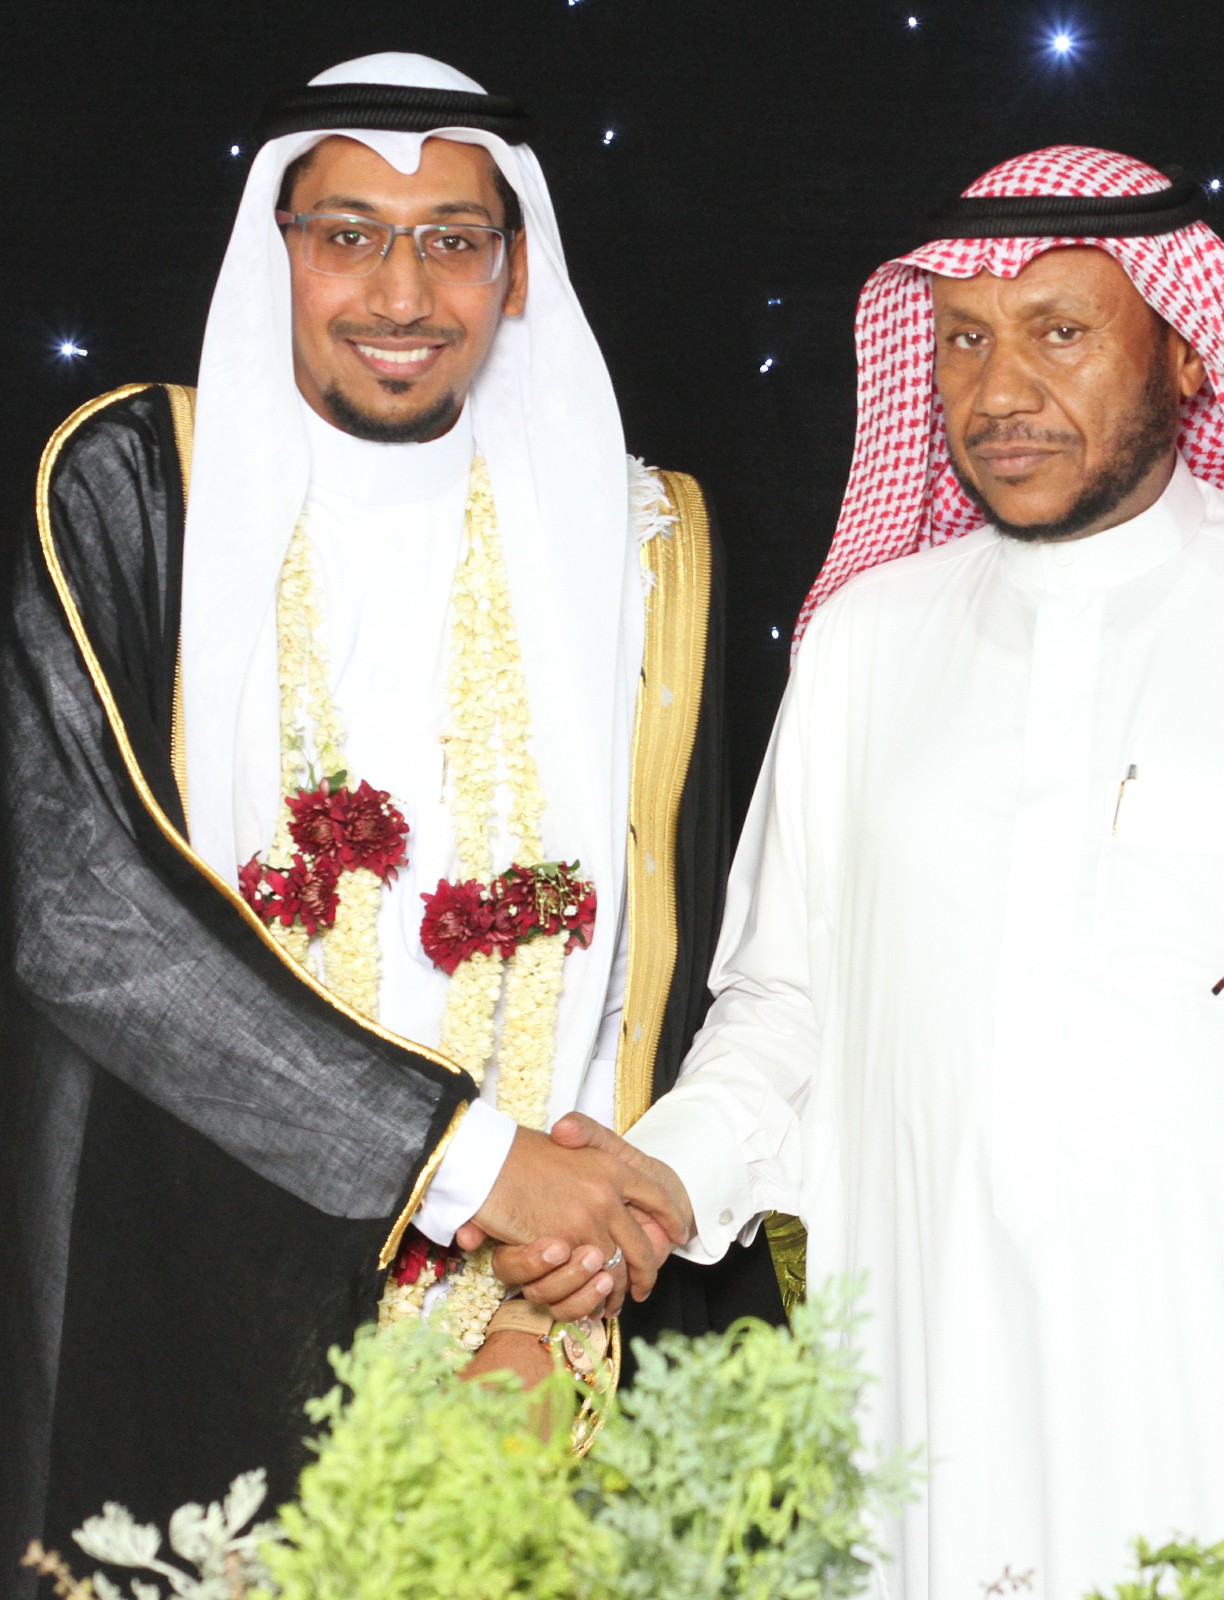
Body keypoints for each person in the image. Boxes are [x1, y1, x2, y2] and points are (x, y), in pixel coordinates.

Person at [516, 146, 1224, 1597]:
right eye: (962, 339)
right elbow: (786, 1010)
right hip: (930, 1408)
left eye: (1059, 332)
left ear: (1189, 351)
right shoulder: (869, 642)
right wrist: (662, 1182)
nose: (998, 390)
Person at [0, 53, 775, 1577]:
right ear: (278, 247)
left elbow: (655, 956)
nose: (401, 292)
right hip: (202, 1302)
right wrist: (470, 1163)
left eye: (451, 239)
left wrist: (561, 1284)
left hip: (527, 1338)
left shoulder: (632, 539)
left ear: (515, 268)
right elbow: (74, 903)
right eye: (349, 234)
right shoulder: (137, 488)